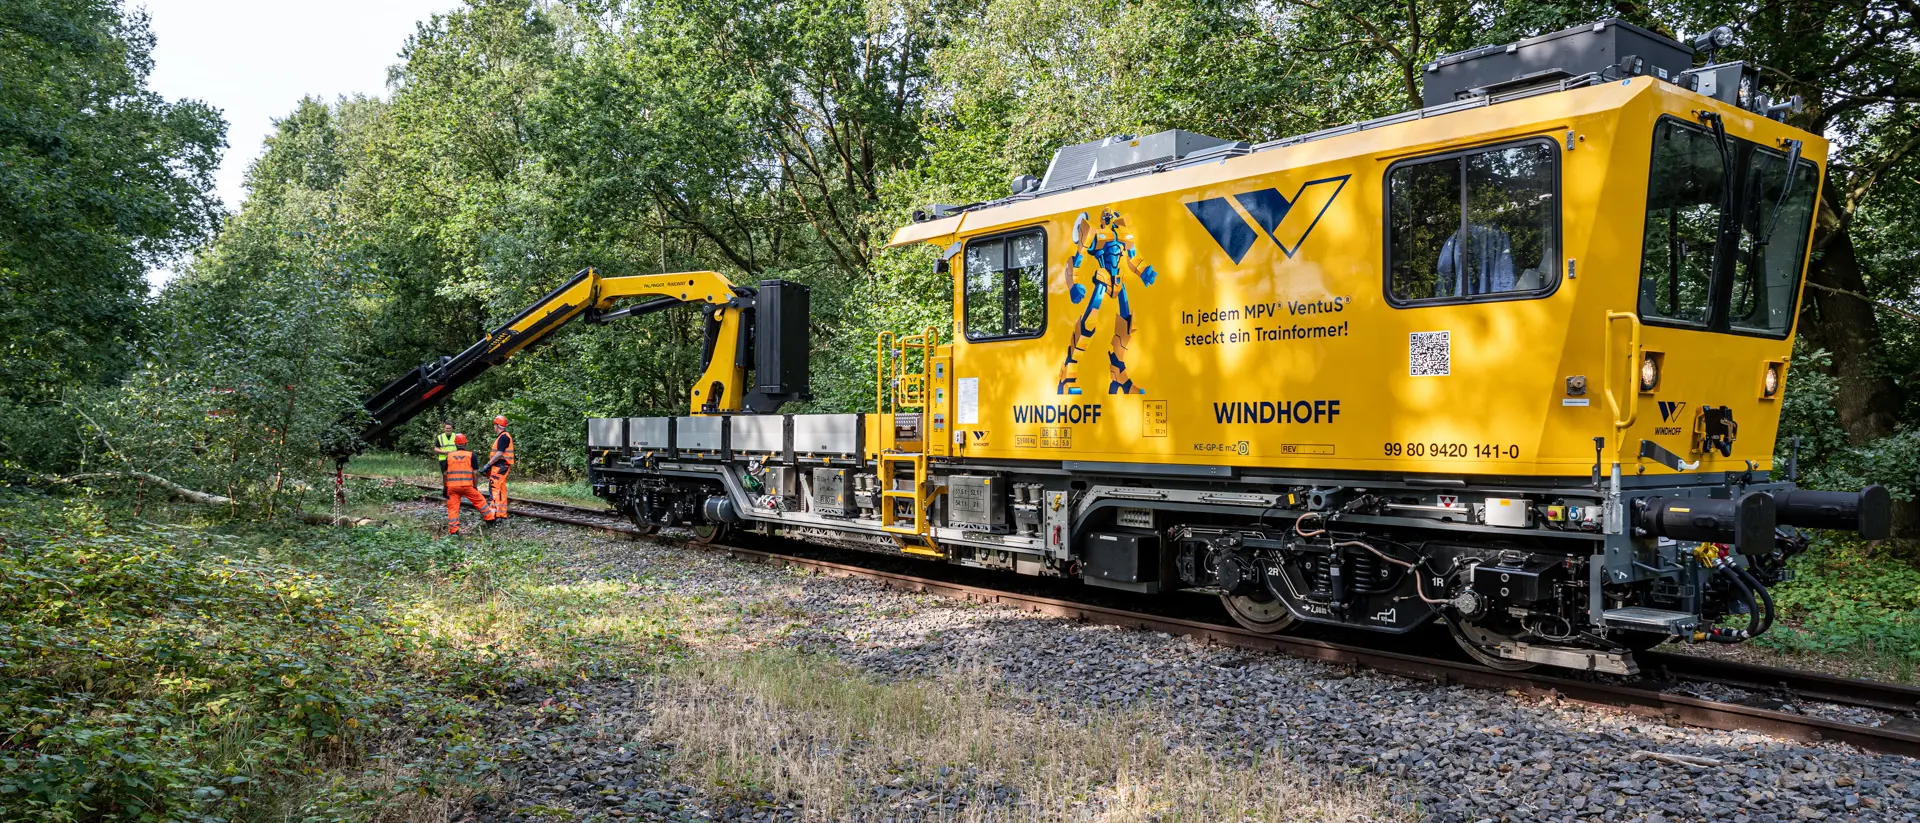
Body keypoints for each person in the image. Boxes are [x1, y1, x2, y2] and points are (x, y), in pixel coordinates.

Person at [1435, 223, 1515, 296]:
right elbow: (1505, 271)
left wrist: (1442, 296)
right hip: (1494, 301)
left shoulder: (1459, 234)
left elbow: (1444, 269)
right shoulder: (1498, 233)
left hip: (1464, 302)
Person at [444, 434, 494, 535]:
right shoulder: (471, 455)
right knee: (480, 501)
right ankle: (490, 520)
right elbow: (475, 473)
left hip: (452, 487)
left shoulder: (449, 456)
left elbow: (445, 474)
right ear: (465, 444)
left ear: (455, 444)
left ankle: (454, 531)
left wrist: (445, 487)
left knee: (453, 508)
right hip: (467, 486)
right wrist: (475, 486)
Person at [484, 415, 515, 519]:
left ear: (497, 425)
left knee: (495, 489)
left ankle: (495, 514)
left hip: (500, 466)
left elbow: (499, 454)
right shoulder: (504, 436)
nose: (494, 427)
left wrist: (488, 464)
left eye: (494, 425)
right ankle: (501, 513)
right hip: (501, 466)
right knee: (501, 490)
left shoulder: (503, 437)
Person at [433, 422, 458, 493]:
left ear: (452, 428)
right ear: (444, 428)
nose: (448, 430)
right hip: (443, 459)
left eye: (450, 428)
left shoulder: (456, 436)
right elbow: (436, 449)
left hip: (455, 459)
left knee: (455, 475)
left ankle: (454, 489)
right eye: (447, 428)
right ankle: (446, 489)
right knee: (445, 475)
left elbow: (460, 447)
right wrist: (445, 452)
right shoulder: (440, 437)